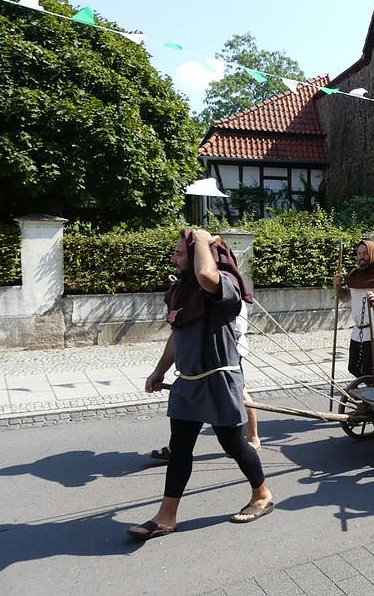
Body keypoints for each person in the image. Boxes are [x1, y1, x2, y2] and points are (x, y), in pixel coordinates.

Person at [127, 228, 272, 540]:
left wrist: (204, 239)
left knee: (233, 445)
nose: (174, 258)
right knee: (180, 449)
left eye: (180, 253)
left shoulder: (224, 284)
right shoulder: (184, 290)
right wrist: (159, 371)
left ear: (198, 255)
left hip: (219, 380)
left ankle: (262, 495)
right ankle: (166, 516)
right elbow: (177, 336)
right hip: (188, 383)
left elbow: (206, 274)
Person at [148, 302, 261, 460]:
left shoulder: (226, 293)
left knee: (239, 395)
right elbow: (177, 333)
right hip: (195, 362)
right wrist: (159, 371)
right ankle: (178, 447)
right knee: (190, 406)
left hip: (225, 359)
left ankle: (251, 439)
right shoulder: (186, 296)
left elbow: (235, 330)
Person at [333, 240, 374, 381]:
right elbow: (345, 298)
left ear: (373, 254)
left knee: (368, 370)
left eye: (366, 253)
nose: (362, 257)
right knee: (353, 367)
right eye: (359, 253)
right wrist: (337, 286)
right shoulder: (354, 275)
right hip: (359, 330)